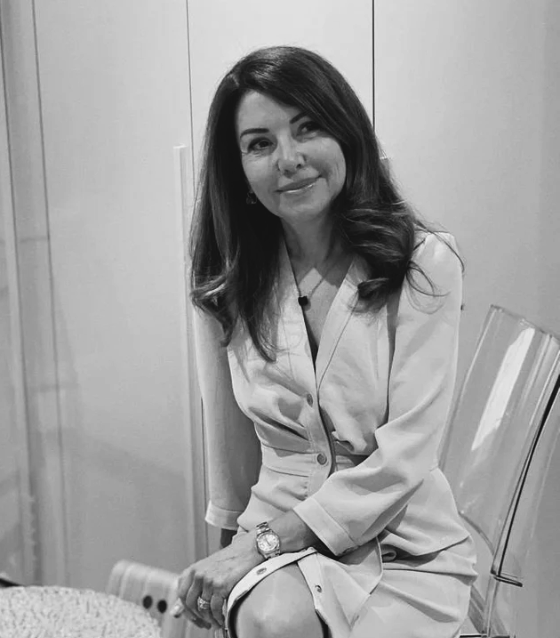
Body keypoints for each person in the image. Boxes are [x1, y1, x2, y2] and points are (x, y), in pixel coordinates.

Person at [174, 45, 476, 638]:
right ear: (239, 169)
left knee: (282, 623)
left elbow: (406, 455)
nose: (289, 159)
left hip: (404, 542)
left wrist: (261, 544)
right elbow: (230, 459)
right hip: (273, 538)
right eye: (260, 143)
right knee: (251, 620)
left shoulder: (424, 264)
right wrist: (227, 559)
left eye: (308, 127)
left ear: (346, 134)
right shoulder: (226, 283)